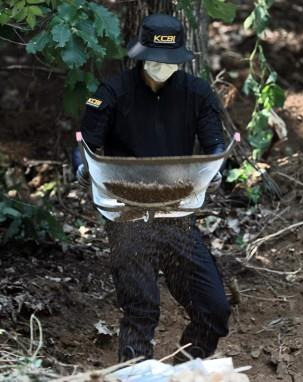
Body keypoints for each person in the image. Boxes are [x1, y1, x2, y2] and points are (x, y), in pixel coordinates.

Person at [73, 14, 231, 363]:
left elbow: (214, 145)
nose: (162, 67)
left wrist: (217, 168)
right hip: (127, 211)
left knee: (214, 309)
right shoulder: (112, 93)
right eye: (155, 61)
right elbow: (86, 142)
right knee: (141, 309)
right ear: (139, 56)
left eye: (169, 61)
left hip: (177, 212)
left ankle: (184, 369)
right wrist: (82, 166)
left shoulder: (198, 94)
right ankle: (136, 372)